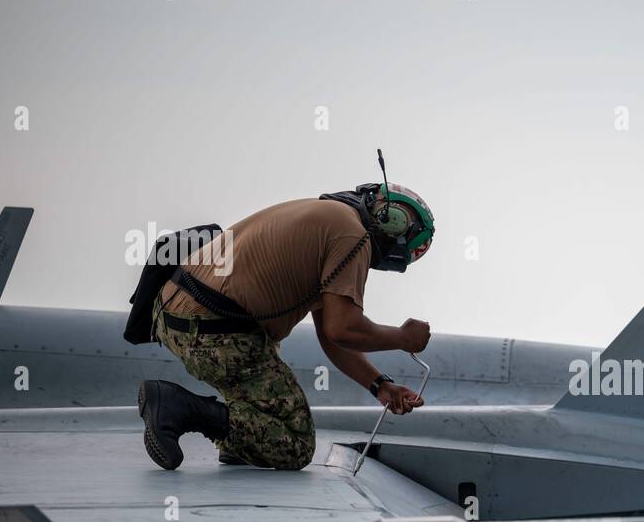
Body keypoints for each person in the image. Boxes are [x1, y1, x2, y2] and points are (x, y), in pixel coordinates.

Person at [138, 180, 434, 470]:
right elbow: (344, 328)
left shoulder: (331, 219)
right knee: (295, 442)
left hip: (177, 315)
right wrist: (403, 338)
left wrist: (379, 385)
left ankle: (242, 441)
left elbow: (331, 334)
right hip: (214, 328)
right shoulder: (353, 237)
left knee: (266, 389)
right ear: (394, 229)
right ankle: (175, 406)